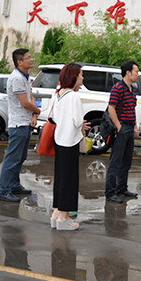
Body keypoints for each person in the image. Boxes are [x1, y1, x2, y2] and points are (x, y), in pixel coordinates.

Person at [50, 63, 89, 230]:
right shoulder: (74, 96)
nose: (82, 78)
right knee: (69, 180)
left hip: (59, 140)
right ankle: (64, 218)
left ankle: (56, 213)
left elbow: (53, 117)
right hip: (70, 142)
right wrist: (82, 126)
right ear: (74, 76)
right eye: (80, 74)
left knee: (60, 178)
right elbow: (78, 121)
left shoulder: (58, 93)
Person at [0, 48, 41, 202]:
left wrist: (34, 114)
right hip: (18, 124)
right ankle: (4, 190)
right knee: (12, 159)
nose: (31, 59)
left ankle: (14, 185)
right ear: (19, 62)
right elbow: (24, 102)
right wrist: (37, 110)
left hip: (25, 122)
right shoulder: (16, 78)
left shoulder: (25, 77)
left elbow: (30, 96)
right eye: (28, 58)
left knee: (20, 157)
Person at [105, 60, 140, 203]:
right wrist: (119, 126)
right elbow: (111, 108)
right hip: (122, 128)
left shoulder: (132, 89)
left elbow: (132, 109)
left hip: (130, 128)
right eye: (136, 71)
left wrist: (135, 126)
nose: (138, 74)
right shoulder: (118, 88)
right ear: (128, 73)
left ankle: (122, 188)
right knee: (116, 161)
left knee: (126, 161)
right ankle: (110, 192)